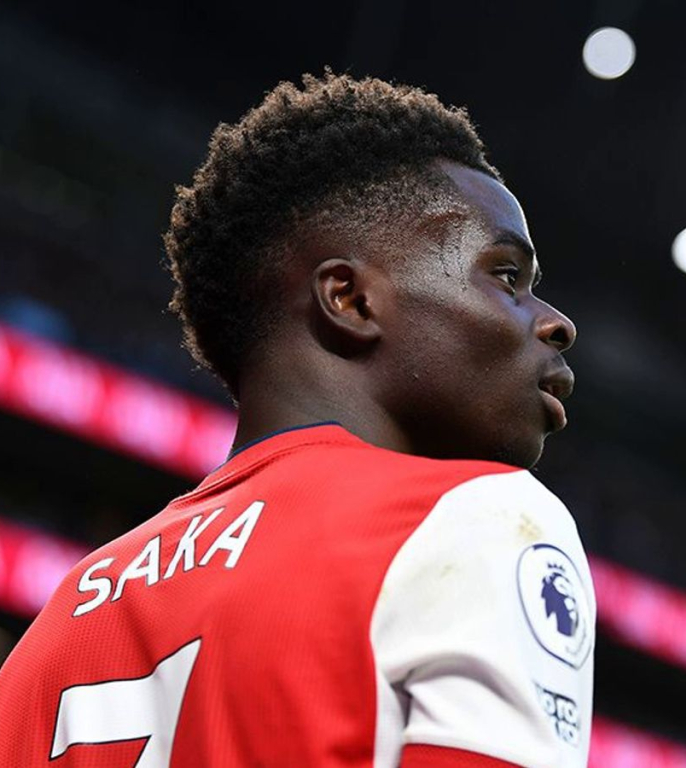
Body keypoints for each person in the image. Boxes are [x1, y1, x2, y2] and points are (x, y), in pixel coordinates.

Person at [0, 71, 593, 767]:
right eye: (506, 276)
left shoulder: (66, 615)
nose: (557, 323)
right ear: (351, 299)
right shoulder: (478, 518)